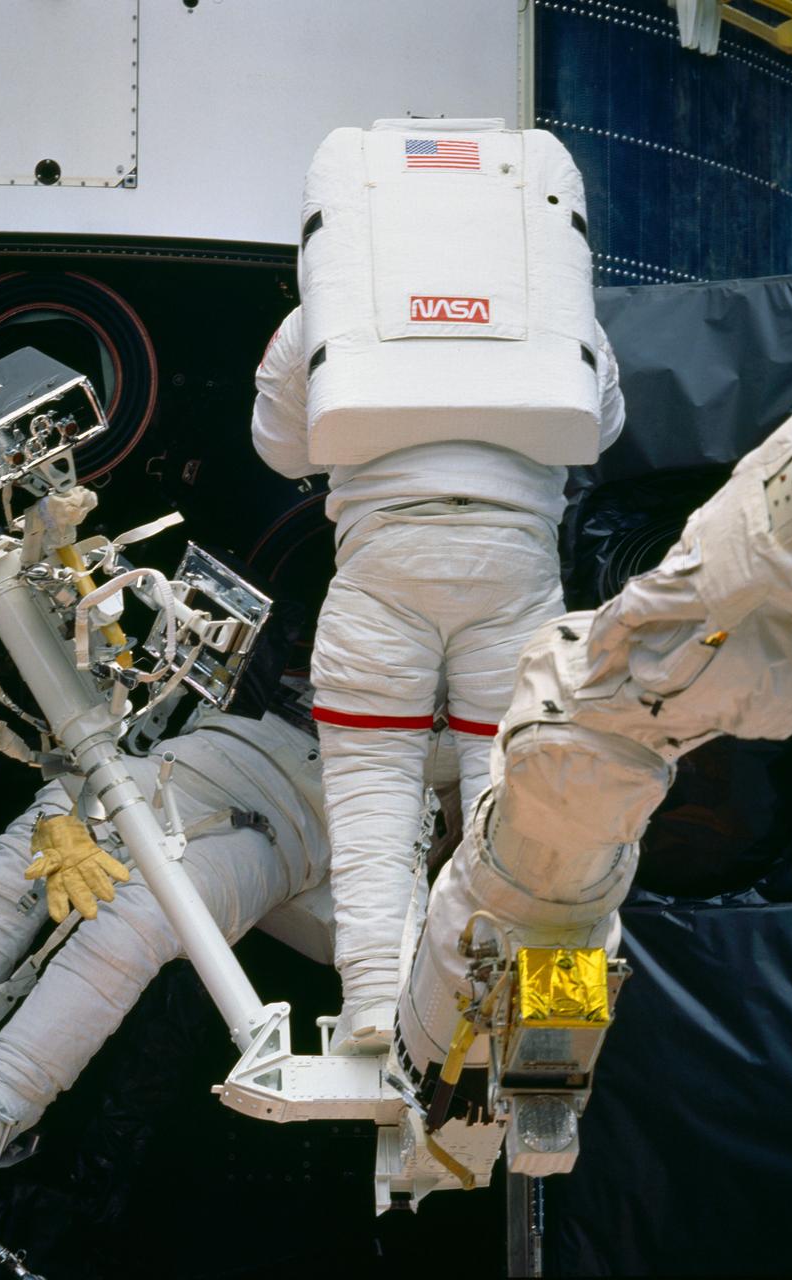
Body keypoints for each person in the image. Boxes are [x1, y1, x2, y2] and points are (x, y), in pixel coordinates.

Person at [251, 125, 626, 1054]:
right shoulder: (554, 310)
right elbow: (602, 422)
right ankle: (545, 1035)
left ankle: (375, 1008)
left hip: (383, 570)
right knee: (533, 810)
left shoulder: (328, 313)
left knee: (373, 804)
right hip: (513, 572)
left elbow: (279, 448)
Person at [0, 705, 331, 1159]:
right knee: (31, 849)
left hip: (292, 817)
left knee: (142, 916)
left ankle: (5, 1096)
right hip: (195, 754)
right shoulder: (289, 626)